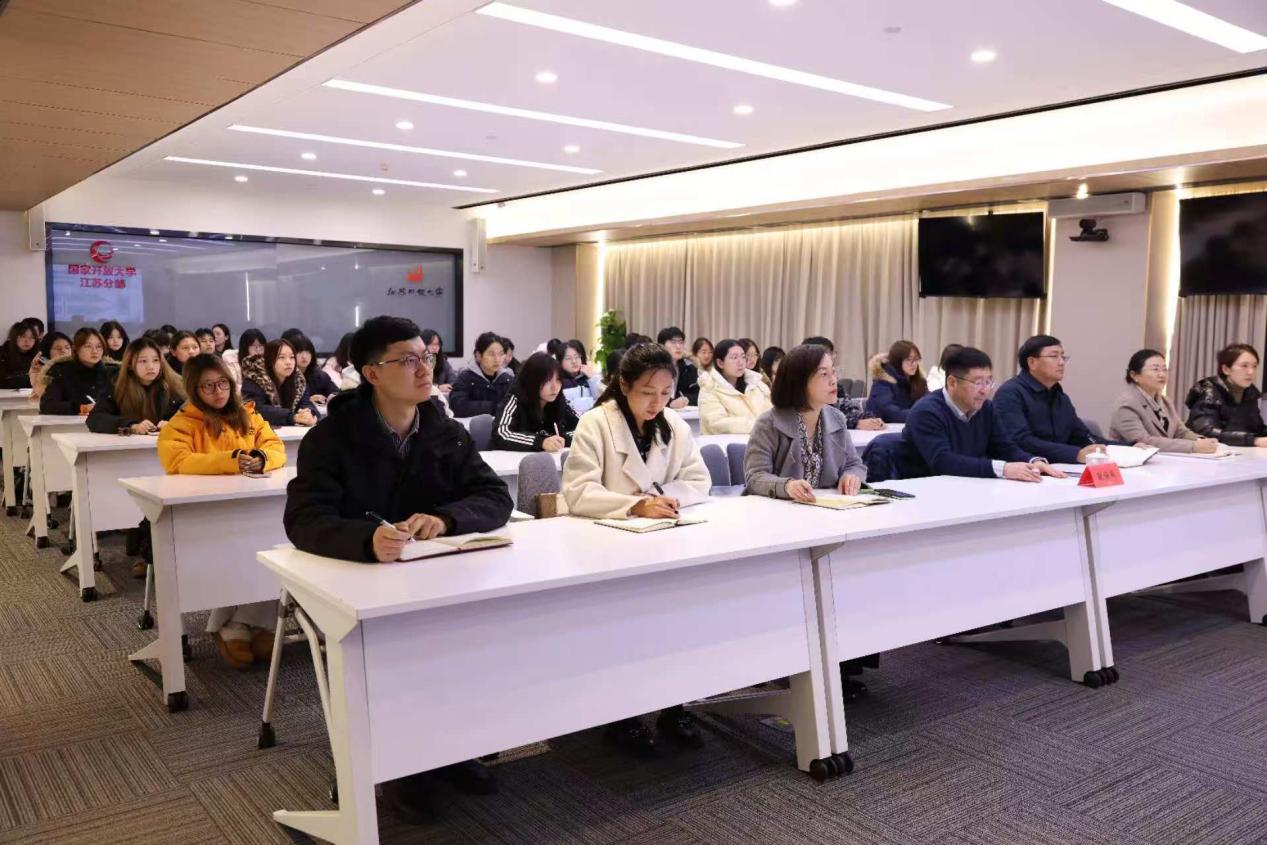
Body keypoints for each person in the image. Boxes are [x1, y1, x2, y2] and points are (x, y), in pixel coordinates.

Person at [284, 315, 512, 820]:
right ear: (372, 373)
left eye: (425, 356)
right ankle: (402, 768)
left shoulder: (441, 429)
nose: (424, 368)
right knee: (396, 650)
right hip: (361, 581)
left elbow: (495, 496)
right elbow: (303, 518)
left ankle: (449, 750)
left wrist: (446, 518)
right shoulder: (332, 437)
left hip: (431, 576)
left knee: (468, 641)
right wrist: (365, 540)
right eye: (407, 360)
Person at [561, 343, 711, 755]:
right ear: (623, 385)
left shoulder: (674, 425)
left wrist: (665, 497)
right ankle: (622, 716)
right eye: (647, 392)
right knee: (625, 632)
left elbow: (699, 481)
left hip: (663, 540)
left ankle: (673, 706)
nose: (656, 403)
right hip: (607, 546)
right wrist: (634, 505)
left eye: (665, 393)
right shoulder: (596, 423)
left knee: (675, 626)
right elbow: (577, 492)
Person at [158, 353, 285, 667]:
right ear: (194, 389)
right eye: (208, 386)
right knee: (233, 554)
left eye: (223, 383)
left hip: (253, 504)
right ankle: (238, 624)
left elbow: (275, 447)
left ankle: (244, 622)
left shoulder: (248, 415)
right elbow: (177, 460)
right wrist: (231, 461)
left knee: (273, 547)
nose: (218, 392)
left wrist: (261, 458)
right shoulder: (181, 424)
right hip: (204, 513)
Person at [878, 346, 1065, 482]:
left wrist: (1032, 461)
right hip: (924, 493)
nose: (985, 390)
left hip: (969, 487)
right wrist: (1004, 469)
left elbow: (1004, 447)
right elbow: (942, 461)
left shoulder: (986, 408)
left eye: (988, 382)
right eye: (978, 383)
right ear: (952, 383)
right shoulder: (927, 411)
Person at [88, 338, 186, 578]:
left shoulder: (173, 385)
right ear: (131, 364)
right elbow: (95, 419)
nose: (151, 366)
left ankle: (151, 548)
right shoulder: (117, 385)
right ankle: (145, 547)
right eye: (143, 361)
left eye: (155, 360)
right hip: (128, 461)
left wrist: (173, 422)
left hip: (165, 457)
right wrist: (130, 424)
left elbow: (192, 413)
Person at [744, 343, 866, 500]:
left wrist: (851, 477)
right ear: (800, 381)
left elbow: (854, 465)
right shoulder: (768, 424)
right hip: (779, 509)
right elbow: (755, 477)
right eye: (824, 374)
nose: (834, 380)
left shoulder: (837, 419)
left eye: (833, 372)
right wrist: (786, 486)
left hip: (826, 507)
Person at [994, 335, 1117, 464]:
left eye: (1063, 357)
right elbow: (1020, 441)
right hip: (1026, 468)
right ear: (1032, 362)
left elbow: (1082, 436)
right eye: (1054, 356)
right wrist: (1075, 454)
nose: (1061, 362)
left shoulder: (1061, 398)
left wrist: (1127, 446)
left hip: (1059, 468)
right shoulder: (1010, 393)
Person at [1110, 350, 1217, 454]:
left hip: (1162, 460)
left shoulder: (1165, 401)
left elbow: (1180, 431)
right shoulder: (1127, 404)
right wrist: (1193, 446)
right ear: (1134, 375)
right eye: (1155, 369)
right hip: (1134, 463)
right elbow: (1143, 441)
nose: (1162, 374)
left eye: (1165, 369)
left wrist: (1202, 441)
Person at [490, 351, 578, 451]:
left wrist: (562, 438)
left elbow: (584, 427)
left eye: (558, 380)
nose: (555, 387)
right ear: (532, 381)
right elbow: (502, 434)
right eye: (547, 381)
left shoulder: (559, 400)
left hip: (548, 458)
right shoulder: (514, 399)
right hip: (508, 459)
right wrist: (541, 442)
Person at [1185, 343, 1267, 447]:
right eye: (1244, 366)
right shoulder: (1209, 390)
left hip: (1238, 452)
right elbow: (1206, 432)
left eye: (1254, 366)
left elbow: (1257, 428)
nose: (1251, 372)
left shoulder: (1250, 394)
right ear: (1226, 369)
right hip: (1203, 452)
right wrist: (1254, 441)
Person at [698, 338, 772, 435]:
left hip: (761, 440)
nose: (740, 362)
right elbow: (717, 423)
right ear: (720, 363)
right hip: (725, 443)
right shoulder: (709, 388)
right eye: (734, 357)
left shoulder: (756, 384)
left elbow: (771, 413)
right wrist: (758, 426)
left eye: (743, 357)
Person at [39, 328, 118, 415]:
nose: (95, 351)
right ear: (76, 349)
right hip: (70, 422)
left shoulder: (112, 372)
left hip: (104, 421)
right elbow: (47, 405)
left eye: (99, 346)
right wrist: (79, 408)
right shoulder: (61, 370)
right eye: (88, 346)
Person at [239, 339, 318, 427]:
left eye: (292, 357)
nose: (288, 362)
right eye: (281, 357)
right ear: (270, 360)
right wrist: (293, 417)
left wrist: (310, 414)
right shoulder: (255, 379)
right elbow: (256, 409)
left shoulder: (298, 380)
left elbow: (306, 403)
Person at [450, 331, 514, 417]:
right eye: (491, 354)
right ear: (479, 355)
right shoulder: (465, 378)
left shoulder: (507, 379)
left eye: (500, 354)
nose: (497, 359)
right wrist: (495, 407)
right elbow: (458, 406)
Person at [865, 340, 928, 423]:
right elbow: (888, 413)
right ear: (897, 361)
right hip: (881, 428)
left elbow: (928, 403)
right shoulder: (883, 381)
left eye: (916, 359)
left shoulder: (919, 381)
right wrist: (920, 415)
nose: (914, 364)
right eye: (909, 360)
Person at [287, 332, 339, 404]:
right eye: (299, 352)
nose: (304, 356)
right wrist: (308, 400)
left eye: (308, 352)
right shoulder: (286, 376)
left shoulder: (320, 376)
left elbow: (337, 393)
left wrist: (330, 397)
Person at [557, 339, 603, 411]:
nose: (574, 361)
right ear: (560, 362)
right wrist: (593, 402)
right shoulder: (559, 382)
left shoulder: (590, 378)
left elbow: (603, 399)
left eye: (577, 357)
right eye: (568, 358)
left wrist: (592, 378)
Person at [657, 326, 698, 407]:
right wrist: (670, 403)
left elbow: (698, 395)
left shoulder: (689, 368)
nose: (678, 346)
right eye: (673, 342)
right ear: (662, 346)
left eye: (681, 342)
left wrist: (685, 399)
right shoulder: (654, 368)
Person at [28, 331, 72, 401]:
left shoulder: (78, 366)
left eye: (67, 347)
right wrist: (39, 372)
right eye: (58, 349)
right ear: (47, 351)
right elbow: (44, 393)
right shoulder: (42, 370)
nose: (64, 351)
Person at [0, 321, 37, 389]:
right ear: (13, 337)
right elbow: (4, 380)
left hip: (29, 392)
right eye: (23, 336)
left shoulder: (38, 354)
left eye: (31, 337)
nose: (27, 341)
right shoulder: (2, 352)